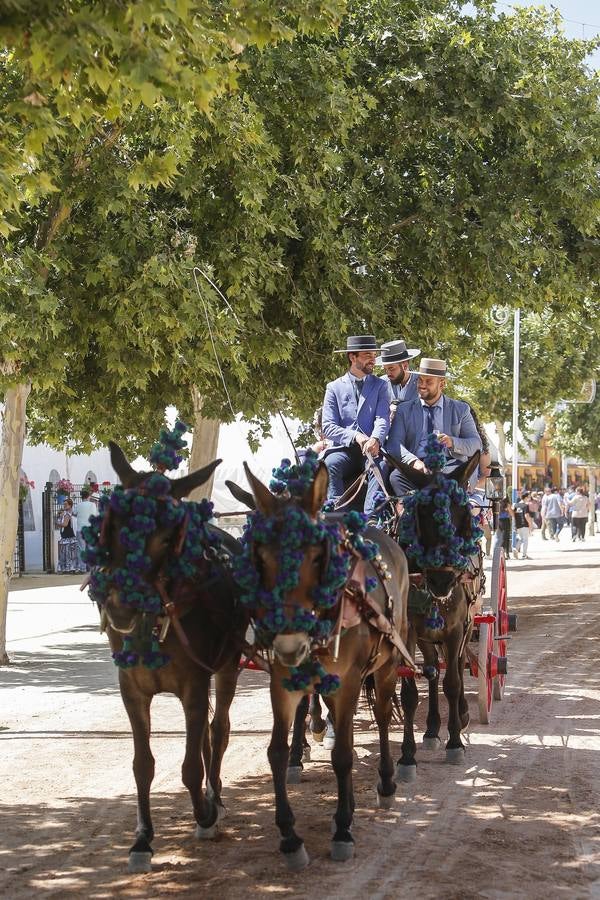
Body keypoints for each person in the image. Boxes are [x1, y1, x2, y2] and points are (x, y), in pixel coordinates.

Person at [384, 357, 482, 496]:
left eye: (428, 381)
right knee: (396, 477)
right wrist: (414, 462)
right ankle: (410, 513)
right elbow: (394, 444)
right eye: (420, 380)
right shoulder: (404, 410)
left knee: (454, 483)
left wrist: (452, 442)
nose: (422, 385)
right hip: (418, 466)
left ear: (442, 384)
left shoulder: (461, 409)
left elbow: (476, 445)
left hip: (449, 466)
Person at [321, 334, 390, 518]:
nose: (373, 359)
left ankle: (371, 520)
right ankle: (337, 518)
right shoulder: (333, 387)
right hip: (343, 450)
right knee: (330, 464)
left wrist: (375, 438)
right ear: (353, 357)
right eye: (368, 354)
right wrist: (355, 436)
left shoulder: (381, 386)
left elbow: (382, 418)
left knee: (380, 466)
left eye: (374, 355)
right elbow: (327, 426)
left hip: (371, 449)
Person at [376, 339, 421, 416]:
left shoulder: (422, 383)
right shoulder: (381, 384)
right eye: (385, 369)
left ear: (405, 366)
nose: (388, 373)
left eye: (391, 369)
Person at [75, 488, 97, 572]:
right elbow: (94, 515)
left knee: (81, 549)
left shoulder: (78, 505)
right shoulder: (93, 505)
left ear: (81, 496)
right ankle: (92, 568)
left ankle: (82, 568)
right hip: (90, 529)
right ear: (89, 496)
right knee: (91, 548)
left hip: (80, 529)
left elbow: (74, 513)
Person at [56, 499, 79, 573]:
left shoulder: (67, 515)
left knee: (66, 553)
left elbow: (65, 524)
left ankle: (67, 568)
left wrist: (57, 523)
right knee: (68, 554)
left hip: (67, 537)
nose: (64, 506)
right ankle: (69, 568)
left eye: (66, 504)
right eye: (64, 504)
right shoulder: (67, 514)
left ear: (70, 505)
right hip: (68, 536)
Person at [512, 490, 534, 559]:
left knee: (522, 539)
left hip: (518, 524)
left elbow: (513, 515)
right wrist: (530, 524)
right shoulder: (525, 505)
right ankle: (524, 555)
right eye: (529, 497)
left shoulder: (516, 505)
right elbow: (526, 515)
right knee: (525, 540)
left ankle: (516, 548)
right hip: (524, 524)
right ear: (525, 497)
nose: (529, 499)